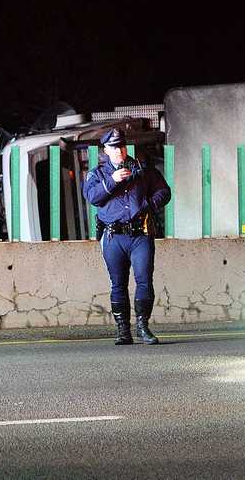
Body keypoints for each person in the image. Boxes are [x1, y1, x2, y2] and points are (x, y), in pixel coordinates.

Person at [83, 128, 171, 345]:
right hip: (114, 237)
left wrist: (148, 205)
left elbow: (164, 191)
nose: (119, 151)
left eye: (121, 146)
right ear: (105, 150)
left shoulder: (141, 169)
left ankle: (143, 327)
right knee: (118, 284)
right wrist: (112, 180)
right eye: (114, 147)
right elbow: (92, 197)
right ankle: (123, 331)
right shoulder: (98, 174)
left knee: (144, 280)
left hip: (140, 234)